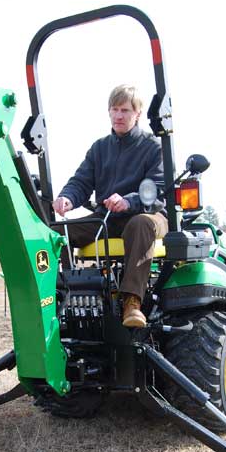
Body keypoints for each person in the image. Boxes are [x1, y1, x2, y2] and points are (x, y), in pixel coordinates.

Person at [52, 84, 168, 328]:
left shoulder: (153, 147)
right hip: (107, 218)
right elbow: (81, 181)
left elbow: (156, 190)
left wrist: (129, 201)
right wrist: (68, 198)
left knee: (140, 224)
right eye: (114, 110)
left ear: (137, 113)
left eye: (125, 110)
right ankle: (62, 292)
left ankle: (132, 302)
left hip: (147, 214)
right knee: (54, 232)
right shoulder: (99, 148)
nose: (118, 115)